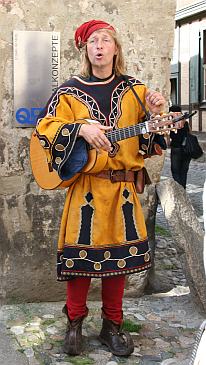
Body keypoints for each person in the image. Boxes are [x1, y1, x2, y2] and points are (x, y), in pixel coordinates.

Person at [35, 19, 166, 357]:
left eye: (105, 40)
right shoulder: (69, 91)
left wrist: (154, 115)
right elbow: (44, 127)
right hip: (86, 189)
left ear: (115, 48)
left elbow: (148, 144)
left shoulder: (136, 90)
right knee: (80, 264)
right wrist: (80, 129)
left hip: (122, 190)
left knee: (119, 264)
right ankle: (75, 323)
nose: (99, 46)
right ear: (86, 49)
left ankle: (113, 326)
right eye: (93, 41)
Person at [169, 105, 191, 189]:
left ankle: (179, 192)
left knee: (175, 171)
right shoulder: (185, 122)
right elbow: (190, 133)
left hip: (176, 148)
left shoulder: (171, 122)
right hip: (187, 149)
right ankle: (183, 190)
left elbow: (168, 136)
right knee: (183, 171)